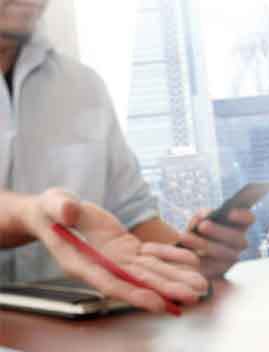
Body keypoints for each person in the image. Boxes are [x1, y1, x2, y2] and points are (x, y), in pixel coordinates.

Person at [0, 0, 255, 314]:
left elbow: (133, 216)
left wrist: (191, 258)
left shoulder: (82, 85)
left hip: (72, 339)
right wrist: (29, 213)